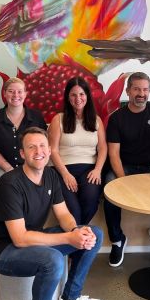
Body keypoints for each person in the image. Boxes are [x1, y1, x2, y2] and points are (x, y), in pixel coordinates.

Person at [0, 127, 105, 300]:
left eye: (42, 146)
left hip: (32, 239)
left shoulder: (50, 175)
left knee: (94, 234)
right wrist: (68, 237)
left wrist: (77, 230)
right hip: (4, 250)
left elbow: (63, 214)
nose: (38, 151)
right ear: (22, 154)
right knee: (52, 260)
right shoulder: (10, 185)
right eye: (31, 147)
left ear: (50, 150)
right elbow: (19, 239)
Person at [104, 72, 150, 267]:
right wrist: (123, 181)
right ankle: (117, 240)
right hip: (124, 167)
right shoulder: (116, 118)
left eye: (145, 89)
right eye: (136, 89)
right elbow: (113, 154)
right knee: (110, 188)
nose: (141, 93)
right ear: (128, 91)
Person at [48, 77, 107, 226]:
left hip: (89, 169)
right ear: (68, 97)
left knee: (91, 200)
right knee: (72, 210)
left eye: (81, 94)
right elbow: (53, 150)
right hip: (61, 170)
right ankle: (79, 241)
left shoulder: (96, 120)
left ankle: (75, 239)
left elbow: (102, 148)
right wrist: (66, 174)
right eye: (73, 95)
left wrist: (98, 170)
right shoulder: (58, 120)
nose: (78, 98)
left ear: (87, 96)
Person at [0, 77, 46, 187]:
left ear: (25, 94)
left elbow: (44, 147)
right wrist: (8, 168)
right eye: (11, 91)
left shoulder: (36, 117)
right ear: (4, 93)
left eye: (19, 91)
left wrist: (33, 168)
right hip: (2, 167)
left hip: (32, 165)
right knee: (5, 190)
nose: (15, 95)